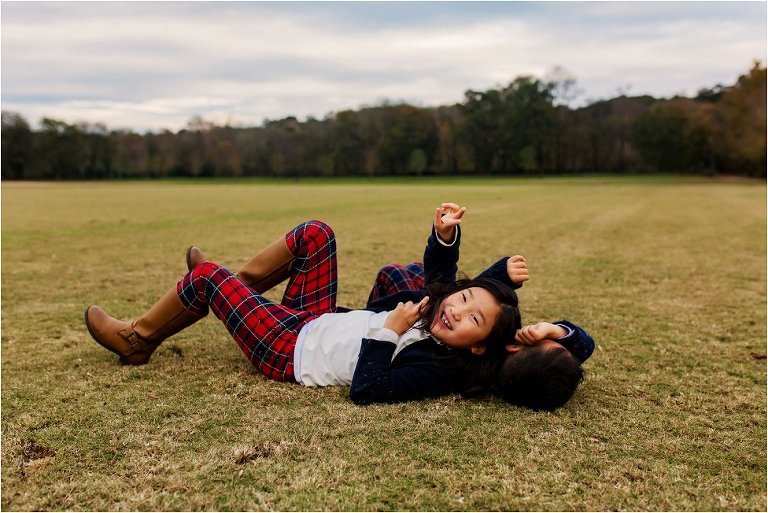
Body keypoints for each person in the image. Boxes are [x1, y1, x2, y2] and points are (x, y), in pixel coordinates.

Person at [84, 204, 522, 405]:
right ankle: (237, 288)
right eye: (463, 301)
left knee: (205, 277)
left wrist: (388, 330)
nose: (456, 311)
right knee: (316, 233)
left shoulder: (437, 367)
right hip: (314, 321)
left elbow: (367, 390)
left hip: (290, 350)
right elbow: (445, 279)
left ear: (480, 346)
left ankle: (137, 339)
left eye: (473, 320)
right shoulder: (439, 310)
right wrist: (448, 236)